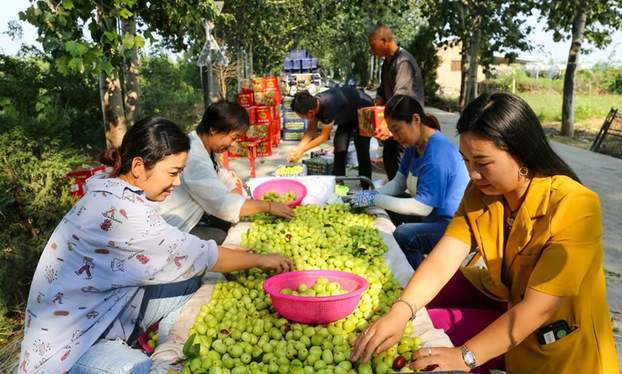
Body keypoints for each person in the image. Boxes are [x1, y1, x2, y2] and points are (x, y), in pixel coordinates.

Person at [351, 92, 618, 373]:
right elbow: (444, 258)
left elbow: (539, 308)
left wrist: (464, 356)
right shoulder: (480, 194)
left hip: (562, 349)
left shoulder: (575, 204)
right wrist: (401, 310)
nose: (473, 174)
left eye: (482, 162)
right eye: (466, 161)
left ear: (521, 152)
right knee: (427, 332)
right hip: (511, 320)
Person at [18, 117, 292, 374]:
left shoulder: (116, 192)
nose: (177, 183)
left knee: (188, 280)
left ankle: (167, 344)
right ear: (139, 166)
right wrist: (263, 259)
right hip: (72, 346)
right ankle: (147, 357)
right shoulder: (119, 213)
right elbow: (197, 255)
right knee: (151, 370)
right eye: (173, 173)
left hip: (106, 315)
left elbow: (178, 250)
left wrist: (232, 255)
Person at [354, 95, 468, 269]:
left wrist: (374, 199)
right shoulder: (413, 145)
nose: (395, 136)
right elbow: (398, 184)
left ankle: (424, 282)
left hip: (452, 224)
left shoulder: (438, 154)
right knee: (383, 206)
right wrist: (370, 195)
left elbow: (422, 207)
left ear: (416, 120)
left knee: (404, 235)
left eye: (397, 129)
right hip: (430, 217)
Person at [157, 101, 294, 244]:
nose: (233, 144)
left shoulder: (206, 146)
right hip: (180, 225)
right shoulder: (194, 158)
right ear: (213, 129)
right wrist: (268, 206)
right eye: (233, 138)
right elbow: (222, 204)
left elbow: (222, 175)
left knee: (230, 222)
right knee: (220, 236)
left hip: (198, 212)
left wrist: (233, 189)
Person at [368, 24, 425, 180]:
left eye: (373, 46)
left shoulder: (403, 61)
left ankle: (402, 196)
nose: (372, 51)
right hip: (394, 119)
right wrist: (377, 104)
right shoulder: (387, 63)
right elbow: (382, 90)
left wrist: (385, 122)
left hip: (404, 120)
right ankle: (395, 194)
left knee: (402, 164)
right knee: (390, 159)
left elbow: (400, 97)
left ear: (385, 41)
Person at [288, 87, 373, 181]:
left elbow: (323, 137)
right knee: (339, 146)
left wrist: (302, 150)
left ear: (310, 113)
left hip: (364, 108)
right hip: (347, 113)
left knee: (362, 148)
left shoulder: (328, 107)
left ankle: (366, 186)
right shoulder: (313, 104)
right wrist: (298, 148)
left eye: (302, 116)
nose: (302, 118)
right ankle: (338, 182)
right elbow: (311, 131)